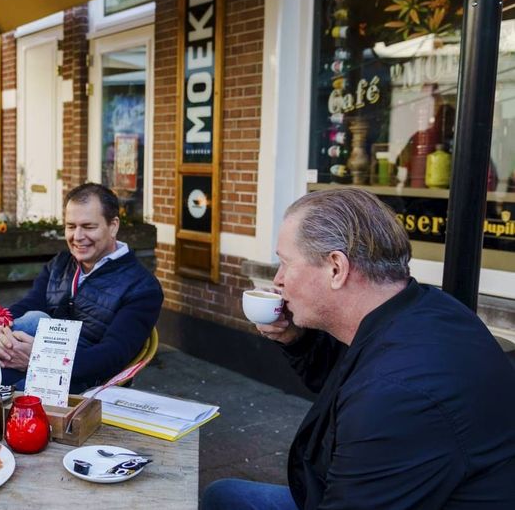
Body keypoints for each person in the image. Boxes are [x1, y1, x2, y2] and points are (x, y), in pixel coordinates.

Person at [203, 188, 515, 510]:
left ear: (336, 268)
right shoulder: (421, 307)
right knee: (222, 496)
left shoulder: (399, 394)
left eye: (285, 263)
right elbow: (347, 373)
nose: (278, 280)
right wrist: (297, 338)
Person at [0, 183, 162, 393]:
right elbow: (29, 304)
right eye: (71, 226)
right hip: (37, 363)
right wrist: (1, 331)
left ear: (113, 226)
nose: (77, 236)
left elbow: (112, 355)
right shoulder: (61, 264)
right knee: (29, 321)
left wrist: (42, 361)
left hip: (89, 384)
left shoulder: (142, 287)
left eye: (88, 226)